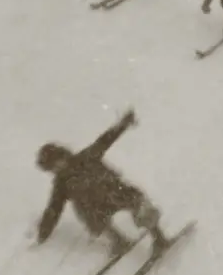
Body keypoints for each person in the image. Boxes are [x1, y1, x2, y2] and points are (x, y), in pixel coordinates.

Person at [28, 109, 170, 258]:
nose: (56, 169)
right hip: (97, 207)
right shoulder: (61, 184)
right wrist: (43, 232)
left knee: (140, 206)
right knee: (88, 215)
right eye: (52, 168)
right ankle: (119, 241)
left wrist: (123, 124)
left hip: (116, 192)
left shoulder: (87, 157)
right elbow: (53, 209)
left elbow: (106, 140)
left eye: (56, 163)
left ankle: (159, 239)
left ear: (63, 156)